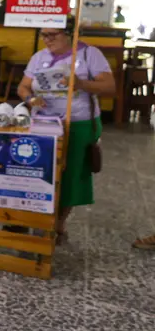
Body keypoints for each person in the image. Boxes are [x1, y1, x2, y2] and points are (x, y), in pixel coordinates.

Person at [17, 18, 116, 244]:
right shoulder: (39, 57)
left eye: (54, 35)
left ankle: (58, 223)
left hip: (77, 121)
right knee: (37, 170)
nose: (47, 40)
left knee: (70, 174)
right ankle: (34, 216)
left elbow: (109, 87)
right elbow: (23, 86)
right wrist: (31, 99)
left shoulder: (89, 54)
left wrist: (81, 84)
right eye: (44, 35)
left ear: (70, 34)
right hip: (44, 122)